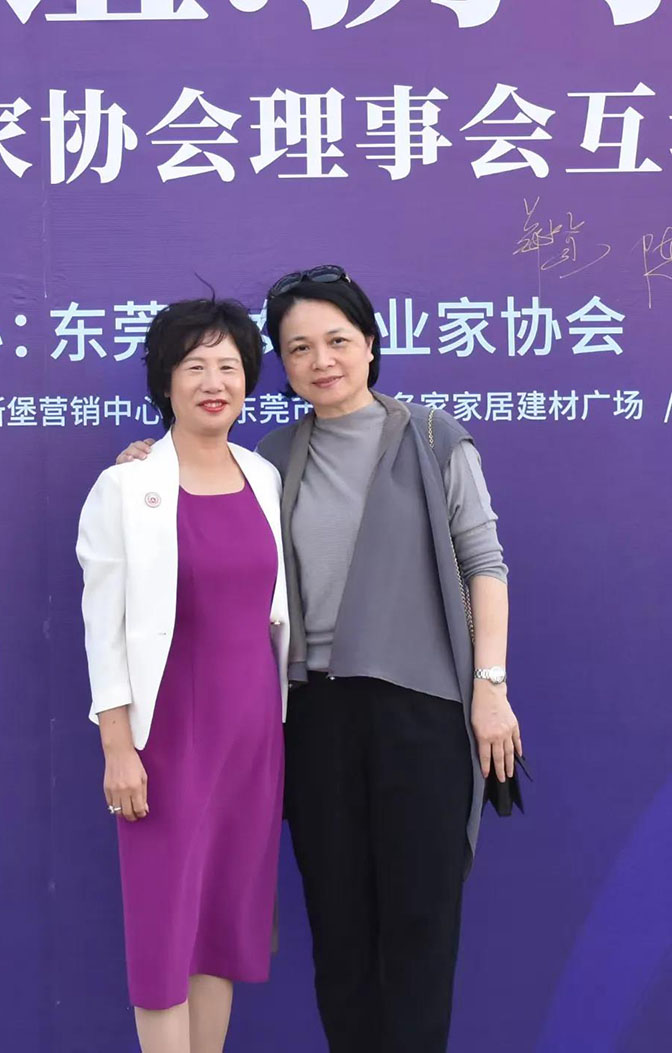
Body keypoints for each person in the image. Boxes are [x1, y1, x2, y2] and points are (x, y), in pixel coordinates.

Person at [117, 265, 521, 1053]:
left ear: (370, 344)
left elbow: (485, 564)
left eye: (337, 340)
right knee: (339, 929)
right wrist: (147, 469)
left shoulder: (435, 437)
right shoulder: (271, 457)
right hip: (312, 716)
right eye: (299, 348)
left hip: (423, 711)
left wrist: (491, 686)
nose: (321, 360)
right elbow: (199, 503)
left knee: (419, 925)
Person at [77, 297, 290, 1053]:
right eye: (194, 366)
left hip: (254, 735)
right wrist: (118, 748)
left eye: (229, 366)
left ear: (249, 380)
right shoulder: (124, 488)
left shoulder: (265, 476)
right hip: (165, 739)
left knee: (222, 926)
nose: (213, 382)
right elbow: (103, 628)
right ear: (165, 381)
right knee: (165, 928)